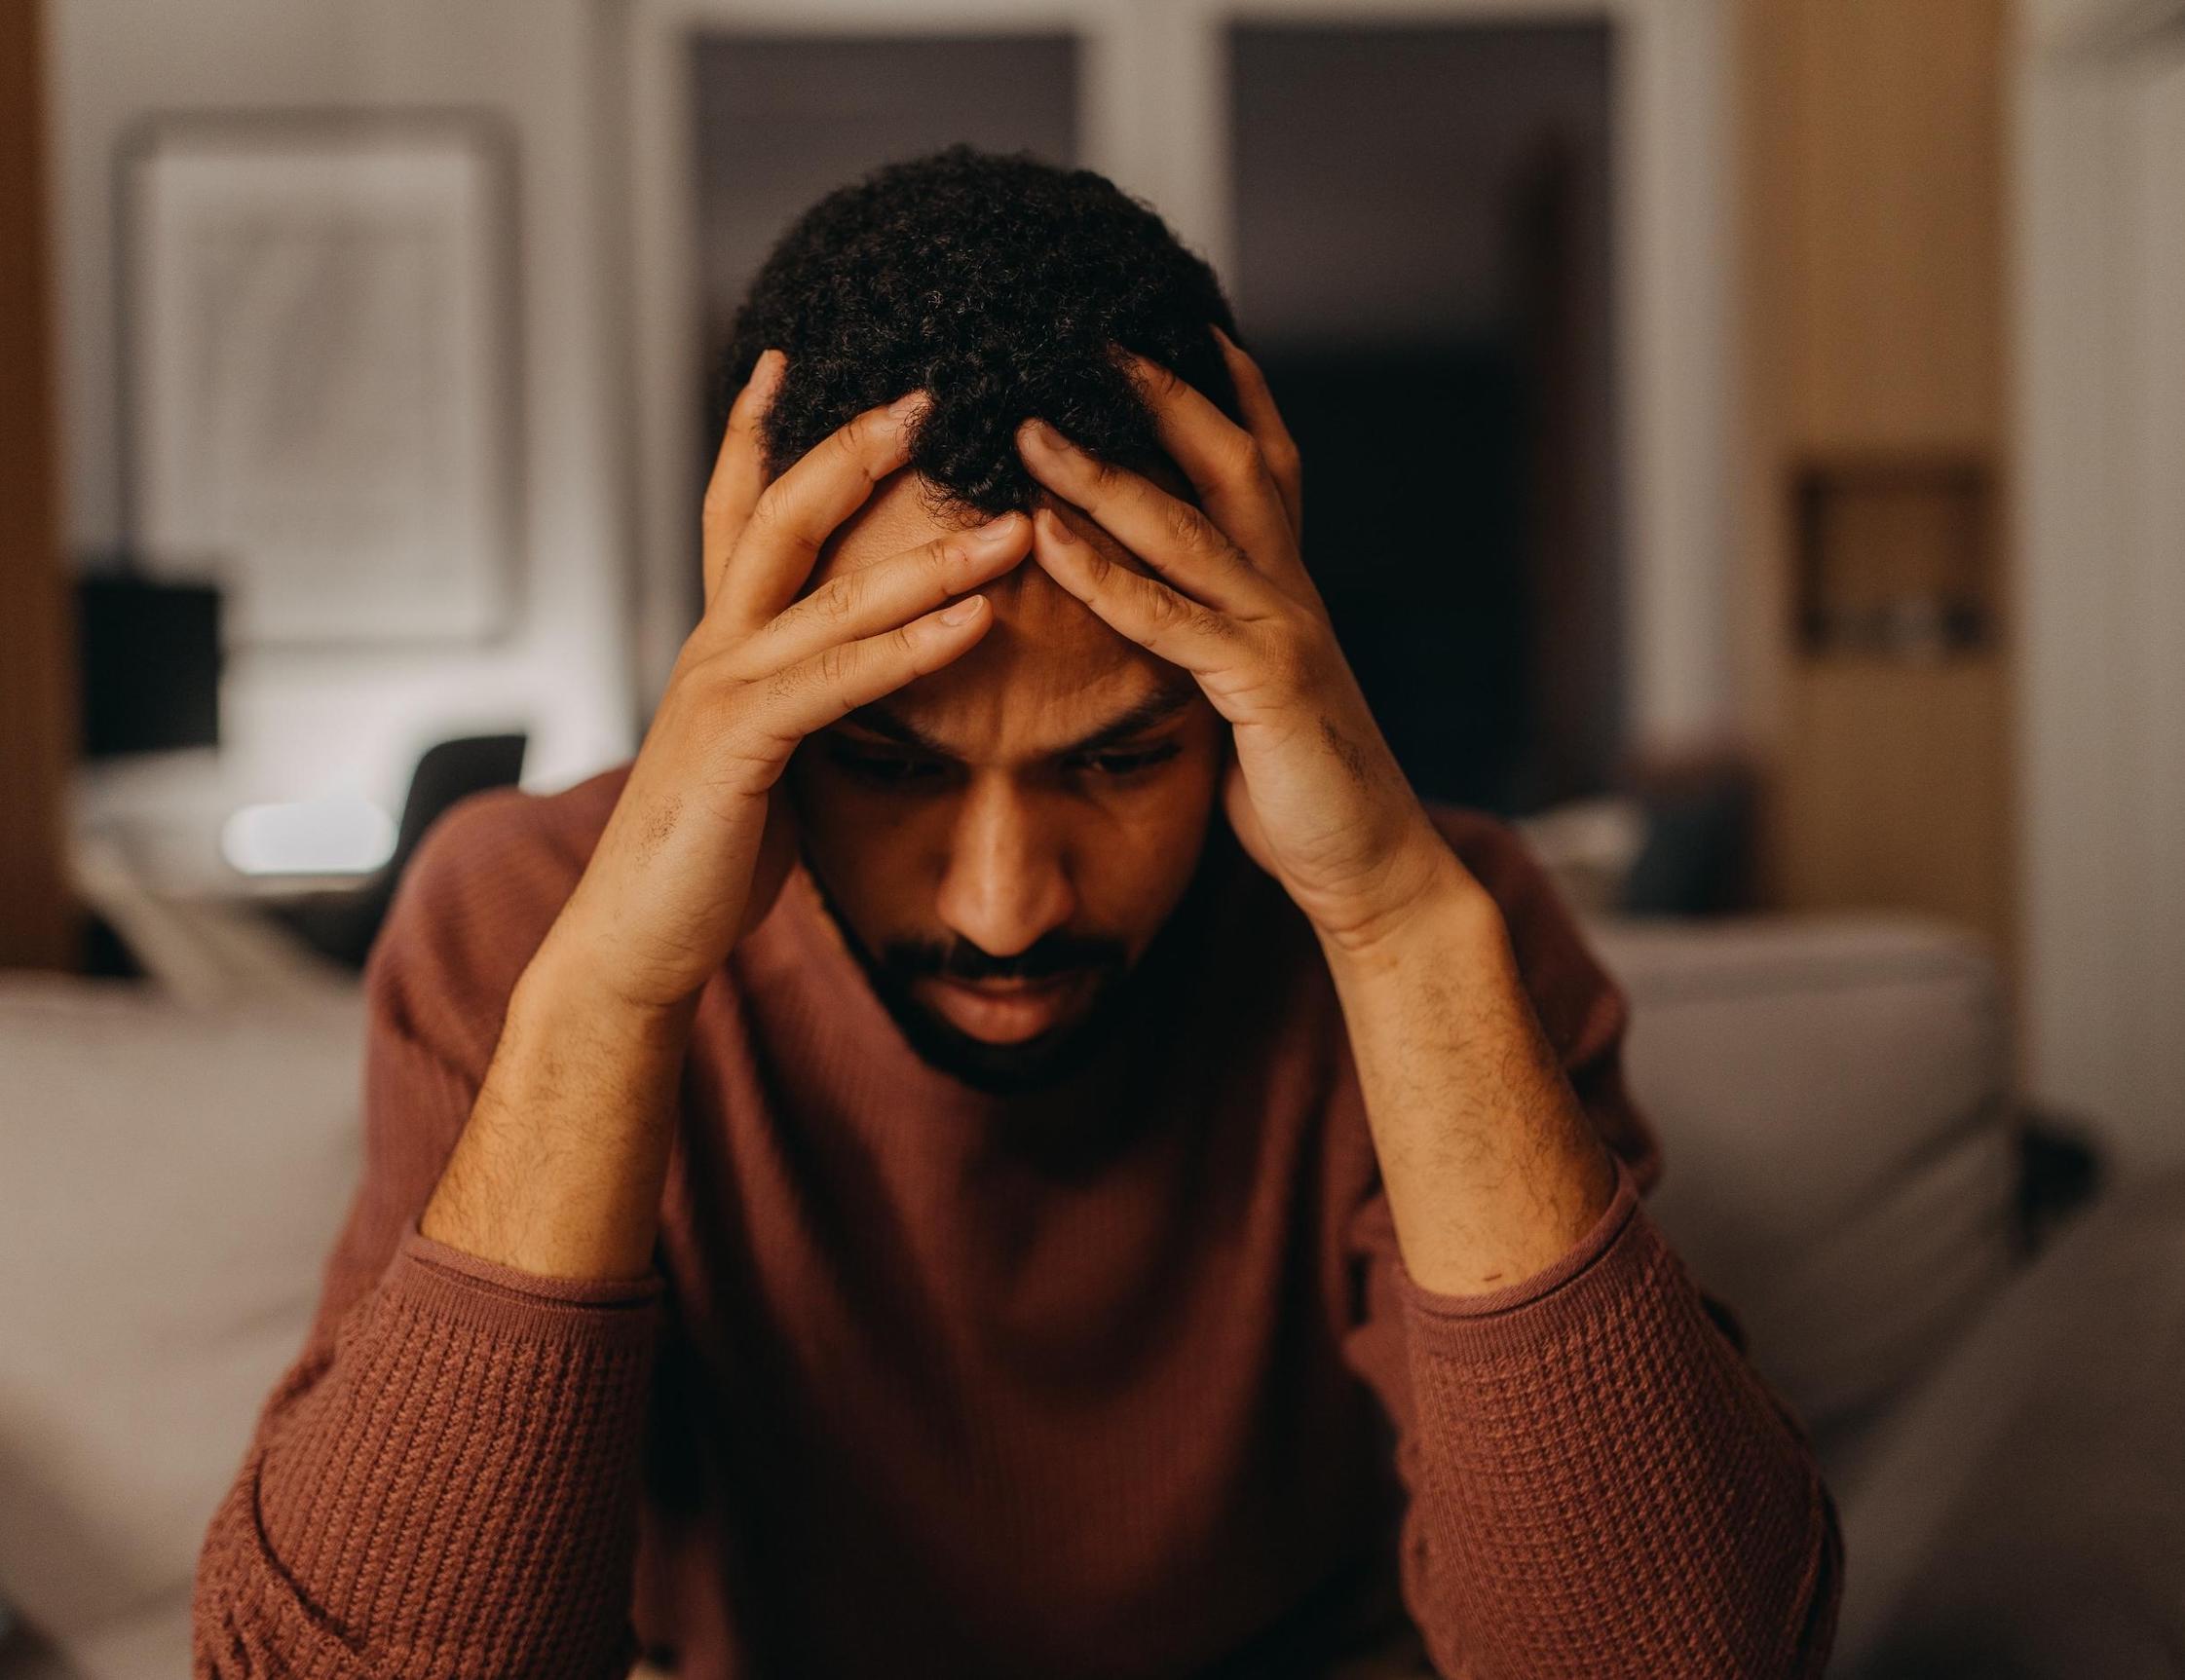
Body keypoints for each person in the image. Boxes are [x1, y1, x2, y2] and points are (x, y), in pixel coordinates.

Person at [192, 146, 1840, 1679]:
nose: (1002, 908)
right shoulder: (522, 922)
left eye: (1125, 756)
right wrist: (615, 995)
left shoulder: (1438, 928)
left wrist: (1401, 927)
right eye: (887, 767)